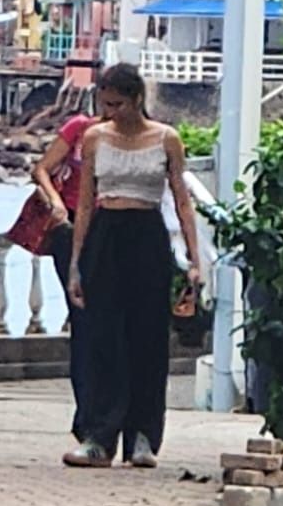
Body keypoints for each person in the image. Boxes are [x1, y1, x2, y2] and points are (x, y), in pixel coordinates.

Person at [62, 63, 201, 469]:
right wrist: (76, 262)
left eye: (118, 104)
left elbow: (182, 201)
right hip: (106, 234)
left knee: (148, 338)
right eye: (105, 104)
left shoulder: (166, 139)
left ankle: (142, 434)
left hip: (146, 234)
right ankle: (98, 435)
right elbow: (85, 202)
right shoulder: (94, 138)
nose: (111, 113)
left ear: (137, 99)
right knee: (102, 339)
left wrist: (194, 260)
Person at [32, 105, 98, 430]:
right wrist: (55, 201)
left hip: (111, 225)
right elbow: (42, 169)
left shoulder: (137, 137)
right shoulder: (80, 128)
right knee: (82, 318)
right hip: (70, 226)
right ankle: (85, 410)